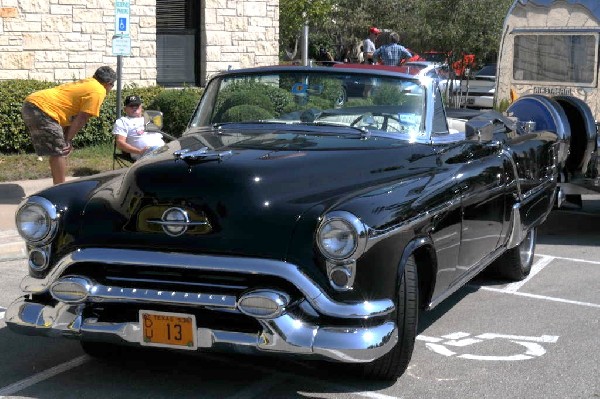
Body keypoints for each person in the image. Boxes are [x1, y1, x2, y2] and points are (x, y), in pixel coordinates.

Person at [21, 66, 117, 185]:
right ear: (108, 83)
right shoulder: (98, 90)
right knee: (60, 150)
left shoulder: (89, 83)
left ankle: (58, 185)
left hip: (33, 104)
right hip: (41, 109)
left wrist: (66, 138)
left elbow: (69, 115)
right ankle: (60, 189)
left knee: (59, 149)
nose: (110, 89)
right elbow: (82, 117)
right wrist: (68, 139)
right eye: (112, 86)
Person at [112, 95, 165, 160]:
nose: (134, 107)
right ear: (125, 109)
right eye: (131, 106)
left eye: (136, 105)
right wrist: (140, 151)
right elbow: (120, 143)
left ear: (141, 107)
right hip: (144, 154)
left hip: (163, 149)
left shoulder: (148, 118)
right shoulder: (122, 121)